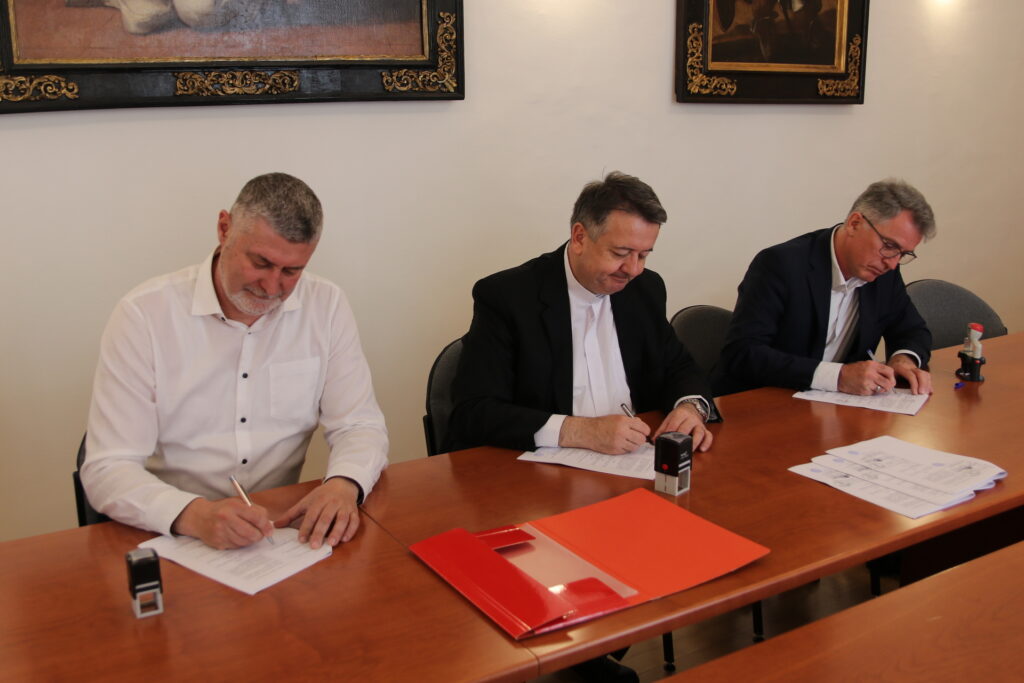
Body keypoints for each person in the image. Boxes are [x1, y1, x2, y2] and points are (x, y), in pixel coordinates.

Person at [81, 172, 388, 551]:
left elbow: (359, 424)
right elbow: (108, 467)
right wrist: (195, 515)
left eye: (291, 271)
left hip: (277, 531)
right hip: (172, 531)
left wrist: (344, 484)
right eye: (260, 262)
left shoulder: (326, 305)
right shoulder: (144, 314)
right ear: (224, 229)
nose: (272, 287)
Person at [449, 171, 714, 458]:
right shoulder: (507, 297)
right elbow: (474, 411)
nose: (634, 269)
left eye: (643, 255)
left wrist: (690, 407)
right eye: (621, 253)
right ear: (579, 237)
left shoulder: (645, 289)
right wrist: (580, 431)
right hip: (540, 470)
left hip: (635, 460)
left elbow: (678, 366)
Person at [712, 178, 935, 397]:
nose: (893, 263)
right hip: (760, 401)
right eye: (889, 246)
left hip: (831, 407)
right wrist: (838, 377)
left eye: (903, 254)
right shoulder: (780, 265)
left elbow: (912, 330)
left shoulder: (884, 273)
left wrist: (903, 360)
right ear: (855, 223)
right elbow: (743, 353)